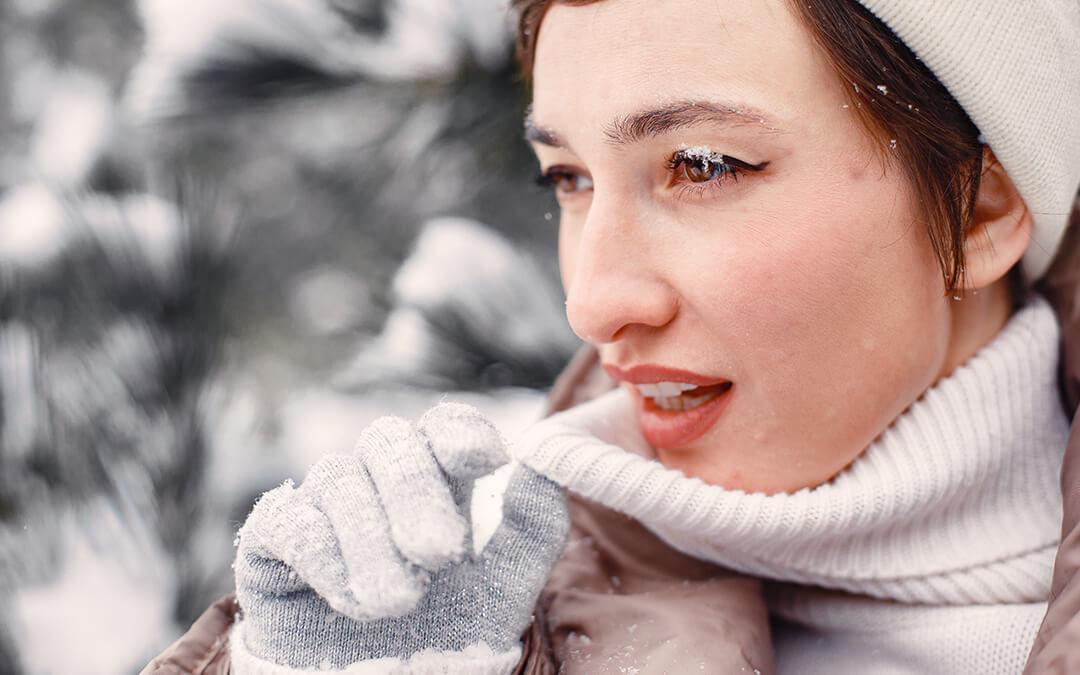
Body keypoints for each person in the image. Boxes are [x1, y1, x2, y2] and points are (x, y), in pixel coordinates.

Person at [144, 0, 1080, 673]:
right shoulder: (483, 618)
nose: (593, 305)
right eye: (568, 178)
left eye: (702, 165)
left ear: (980, 212)